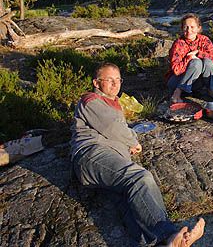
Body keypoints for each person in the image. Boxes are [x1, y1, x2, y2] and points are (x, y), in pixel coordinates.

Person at [71, 62, 205, 247]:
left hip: (108, 159)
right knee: (140, 178)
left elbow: (118, 129)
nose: (115, 84)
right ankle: (170, 234)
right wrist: (133, 142)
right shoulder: (91, 100)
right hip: (92, 154)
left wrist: (126, 143)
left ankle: (163, 242)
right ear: (96, 82)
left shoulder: (113, 103)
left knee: (130, 206)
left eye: (118, 80)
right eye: (109, 80)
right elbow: (113, 128)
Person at [166, 13, 213, 103]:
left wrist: (198, 53)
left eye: (192, 27)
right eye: (186, 27)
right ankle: (177, 93)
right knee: (196, 63)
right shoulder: (179, 44)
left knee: (207, 61)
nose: (189, 30)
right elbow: (176, 70)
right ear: (182, 28)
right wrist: (190, 58)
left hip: (195, 82)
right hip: (177, 81)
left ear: (199, 28)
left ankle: (210, 90)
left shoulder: (204, 40)